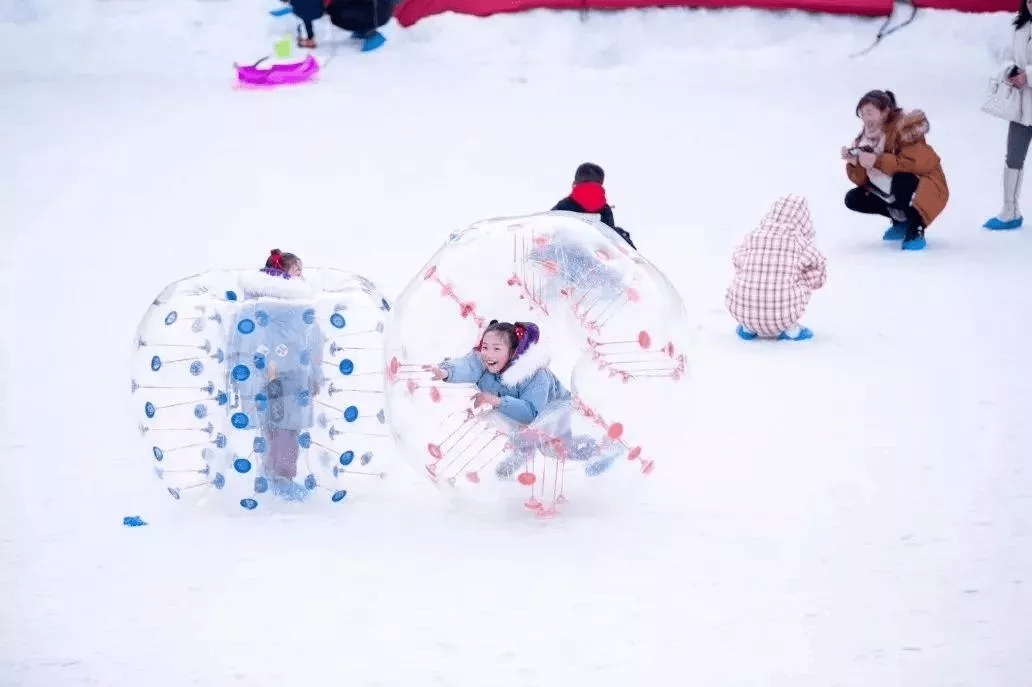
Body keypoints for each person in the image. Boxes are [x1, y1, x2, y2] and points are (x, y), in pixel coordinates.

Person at [227, 249, 324, 499]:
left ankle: (275, 475)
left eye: (302, 270)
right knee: (286, 427)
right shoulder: (284, 304)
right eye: (296, 270)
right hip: (282, 375)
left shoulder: (268, 304)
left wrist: (313, 373)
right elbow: (302, 339)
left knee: (278, 427)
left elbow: (311, 340)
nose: (301, 275)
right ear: (281, 273)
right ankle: (281, 478)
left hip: (284, 375)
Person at [428, 320, 573, 478]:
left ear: (513, 352)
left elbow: (530, 412)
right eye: (485, 347)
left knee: (554, 448)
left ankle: (594, 450)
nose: (488, 354)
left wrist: (496, 400)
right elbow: (468, 365)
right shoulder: (483, 364)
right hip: (516, 407)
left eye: (497, 348)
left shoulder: (535, 376)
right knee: (512, 427)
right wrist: (445, 372)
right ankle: (521, 452)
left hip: (554, 409)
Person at [842, 90, 949, 251]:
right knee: (854, 198)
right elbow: (864, 181)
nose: (865, 119)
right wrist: (855, 163)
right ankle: (901, 220)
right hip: (892, 188)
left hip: (928, 188)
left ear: (885, 111)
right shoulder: (865, 137)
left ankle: (916, 227)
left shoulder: (906, 130)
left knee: (902, 182)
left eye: (870, 113)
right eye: (862, 114)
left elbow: (917, 163)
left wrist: (877, 161)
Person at [725, 195, 827, 341]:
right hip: (783, 312)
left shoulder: (753, 236)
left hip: (741, 309)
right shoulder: (799, 242)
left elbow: (737, 259)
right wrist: (812, 280)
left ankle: (748, 327)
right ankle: (791, 330)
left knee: (750, 277)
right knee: (801, 276)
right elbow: (818, 263)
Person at [983, 0, 1032, 230]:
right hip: (1022, 108)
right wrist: (1010, 71)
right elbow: (1006, 56)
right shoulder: (1020, 28)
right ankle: (1009, 210)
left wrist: (1029, 76)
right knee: (1013, 157)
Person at [552, 163, 637, 250]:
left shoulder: (563, 206)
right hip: (596, 259)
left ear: (574, 184)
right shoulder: (605, 209)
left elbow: (549, 232)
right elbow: (609, 235)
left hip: (567, 257)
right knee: (618, 234)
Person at [282, 0, 394, 51]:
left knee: (339, 17)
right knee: (337, 16)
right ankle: (364, 29)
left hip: (379, 10)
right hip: (376, 8)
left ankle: (371, 33)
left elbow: (309, 14)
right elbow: (308, 15)